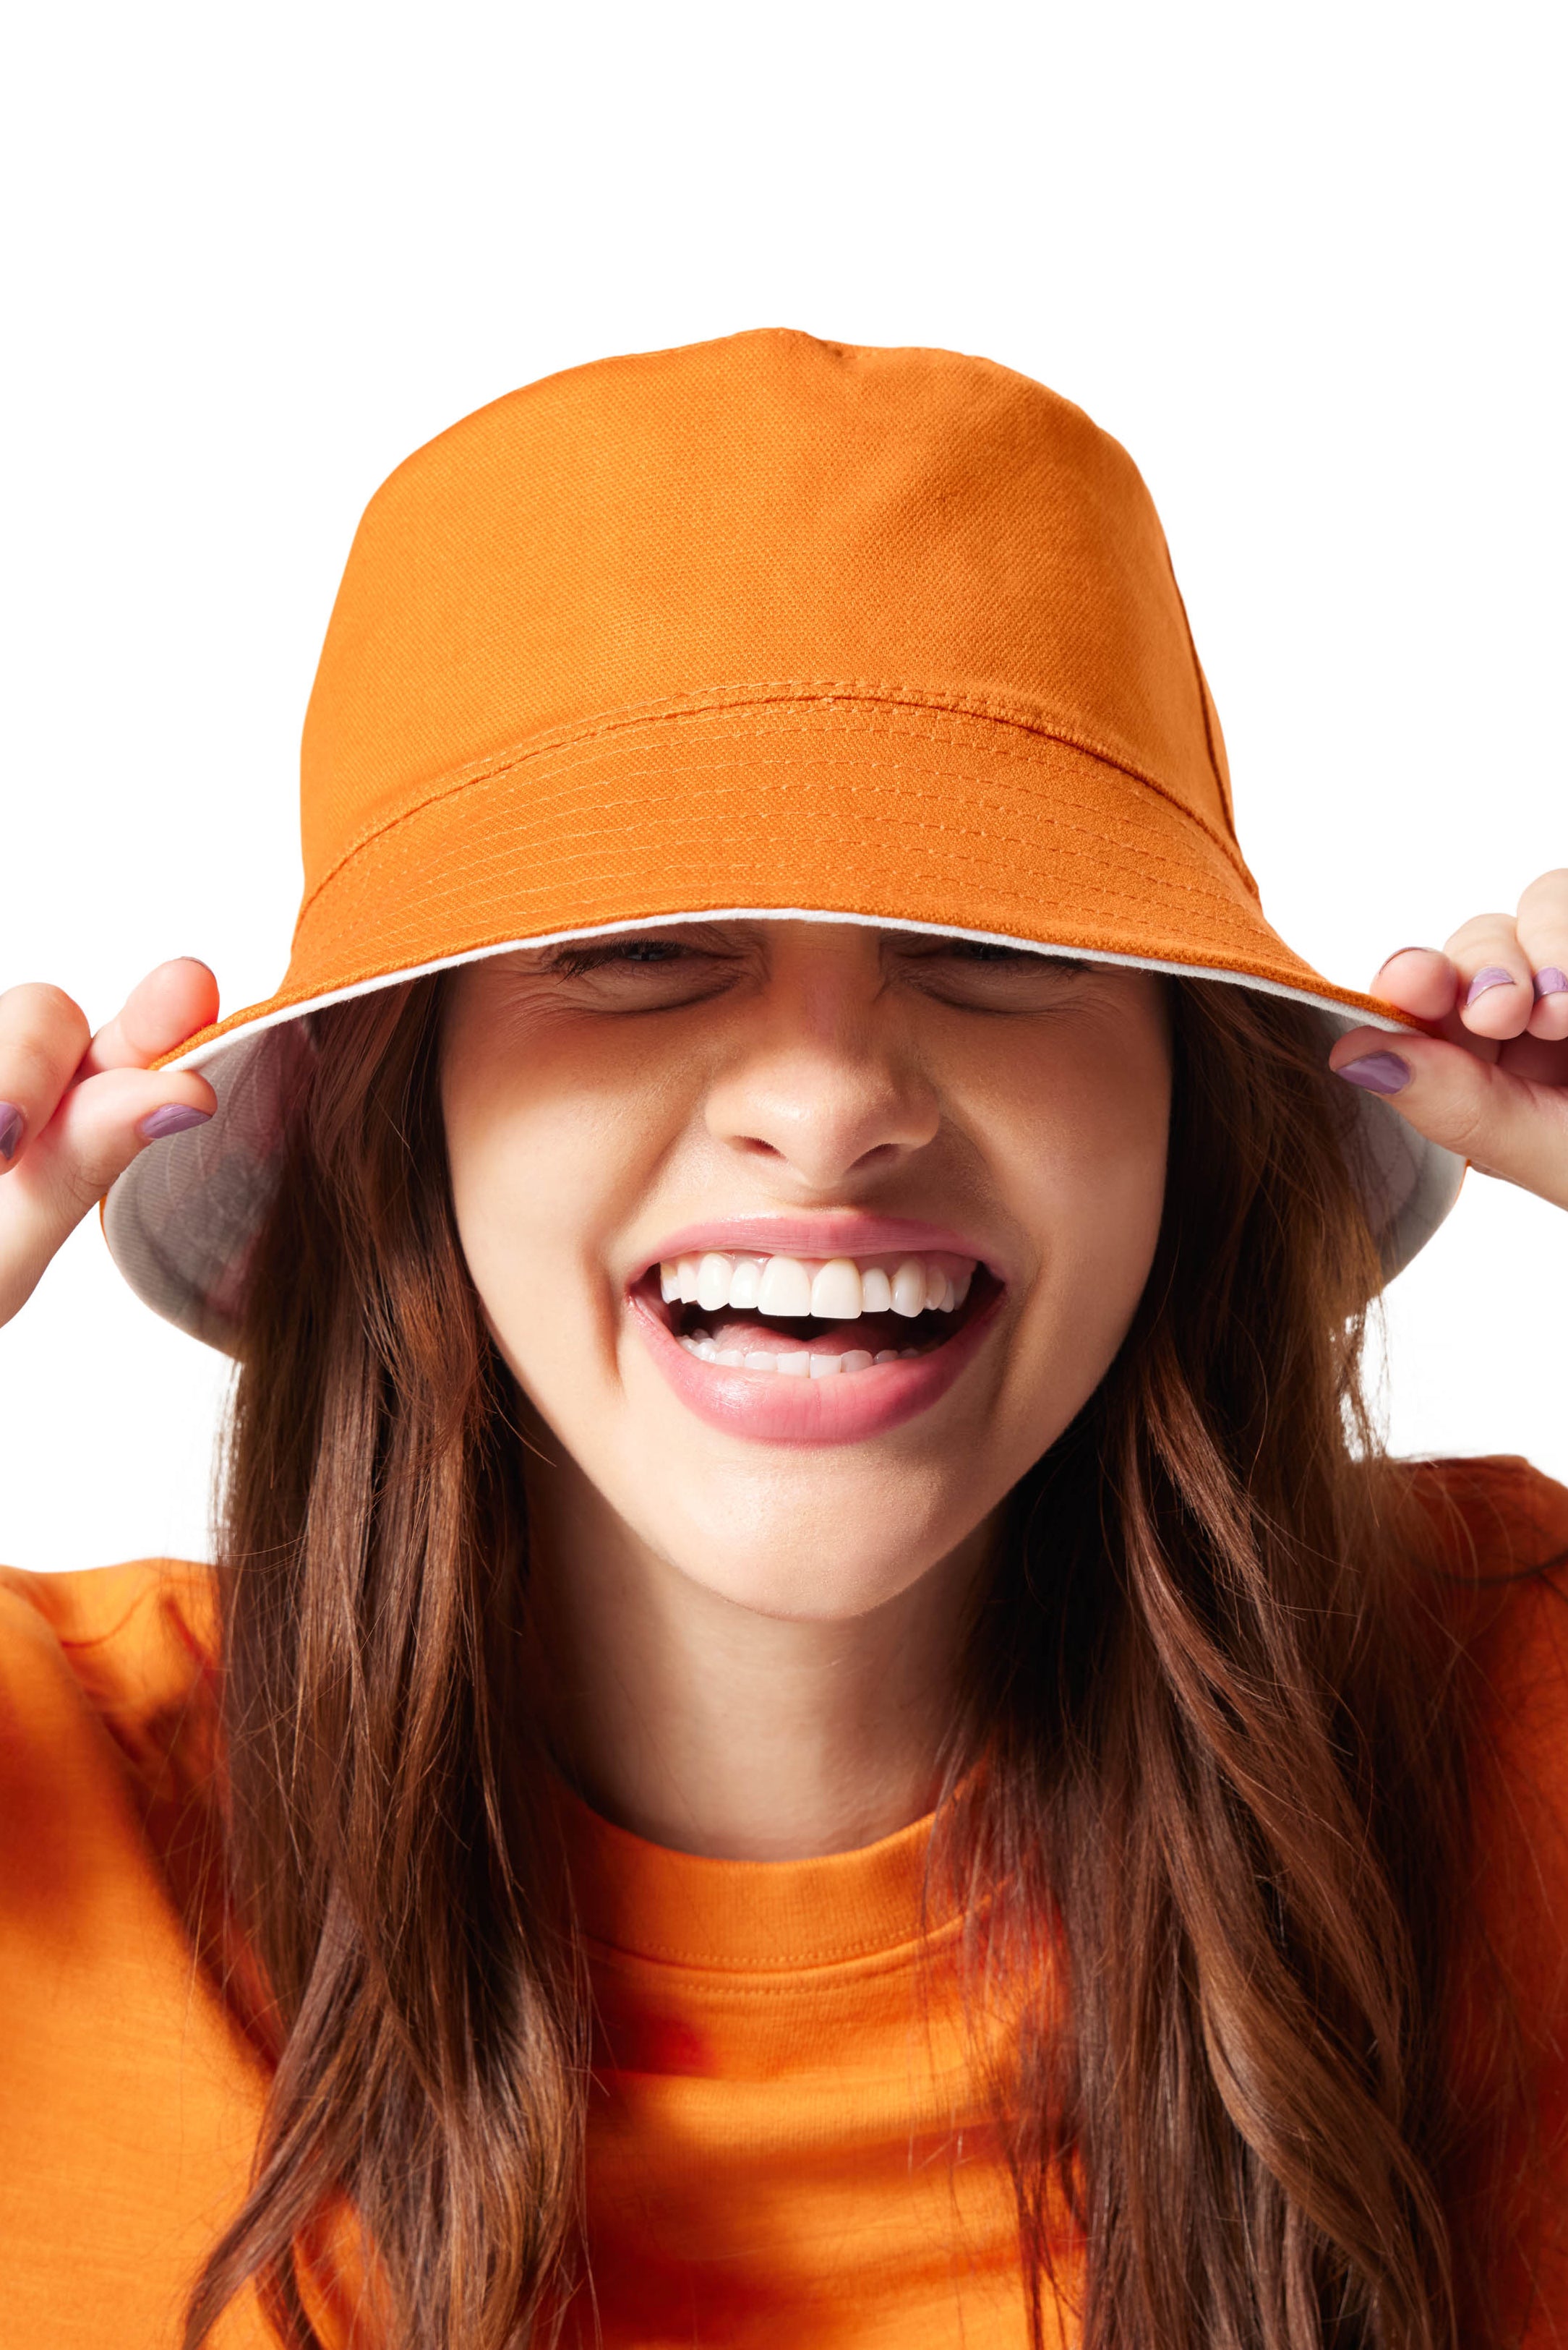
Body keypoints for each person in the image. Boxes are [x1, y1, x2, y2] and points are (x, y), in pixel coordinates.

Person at [1, 329, 1564, 2350]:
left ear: (1187, 1094)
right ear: (410, 1106)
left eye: (998, 946)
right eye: (637, 950)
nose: (828, 1106)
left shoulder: (1506, 1731)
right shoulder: (49, 1806)